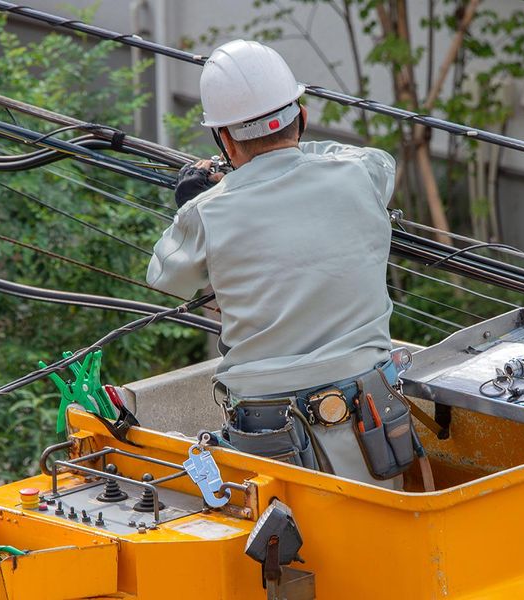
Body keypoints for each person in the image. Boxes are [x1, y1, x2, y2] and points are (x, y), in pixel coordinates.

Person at [147, 39, 412, 489]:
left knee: (280, 547)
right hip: (371, 419)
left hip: (267, 431)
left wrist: (196, 198)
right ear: (303, 119)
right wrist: (276, 157)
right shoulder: (360, 174)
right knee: (376, 542)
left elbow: (165, 278)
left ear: (223, 138)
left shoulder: (207, 212)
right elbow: (369, 160)